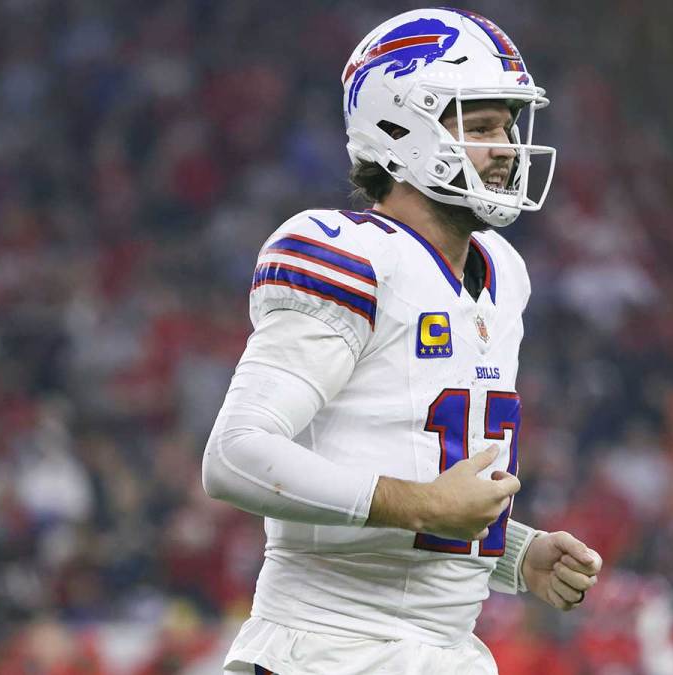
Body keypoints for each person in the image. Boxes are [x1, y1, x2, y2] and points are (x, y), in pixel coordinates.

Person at [202, 8, 601, 674]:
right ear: (397, 129)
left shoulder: (503, 272)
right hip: (327, 651)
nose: (505, 146)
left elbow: (419, 465)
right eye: (479, 125)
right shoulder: (345, 255)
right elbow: (236, 457)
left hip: (445, 652)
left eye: (507, 123)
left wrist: (516, 552)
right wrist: (426, 504)